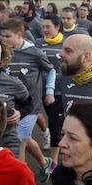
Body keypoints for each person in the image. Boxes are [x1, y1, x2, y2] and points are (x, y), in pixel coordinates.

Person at [0, 18, 55, 179]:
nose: (4, 40)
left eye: (7, 36)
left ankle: (19, 180)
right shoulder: (4, 53)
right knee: (26, 138)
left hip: (31, 105)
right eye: (3, 36)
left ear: (19, 34)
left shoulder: (34, 52)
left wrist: (49, 91)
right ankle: (45, 163)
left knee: (19, 141)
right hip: (11, 105)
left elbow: (51, 71)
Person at [36, 14, 66, 164]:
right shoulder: (38, 43)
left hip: (60, 91)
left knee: (54, 123)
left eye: (48, 27)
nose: (45, 30)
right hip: (42, 89)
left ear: (57, 27)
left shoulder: (66, 43)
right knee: (55, 120)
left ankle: (53, 162)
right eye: (43, 27)